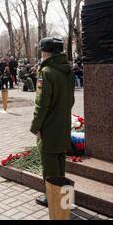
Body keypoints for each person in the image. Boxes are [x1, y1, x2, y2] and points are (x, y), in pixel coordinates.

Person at [30, 37, 75, 207]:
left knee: (49, 164)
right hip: (63, 124)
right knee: (60, 161)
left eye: (41, 50)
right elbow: (70, 100)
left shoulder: (46, 72)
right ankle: (62, 197)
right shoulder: (68, 70)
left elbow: (41, 105)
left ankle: (52, 198)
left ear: (45, 51)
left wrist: (36, 126)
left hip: (49, 126)